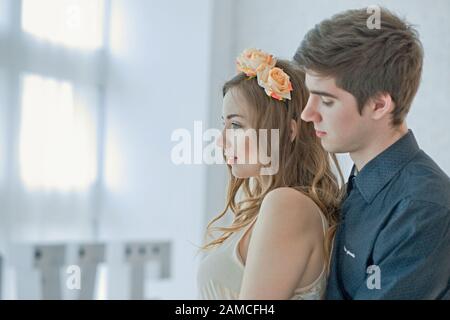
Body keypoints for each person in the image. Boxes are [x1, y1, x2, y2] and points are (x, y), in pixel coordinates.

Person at [294, 7, 450, 299]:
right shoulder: (357, 183)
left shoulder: (423, 209)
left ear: (379, 105)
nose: (307, 114)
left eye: (326, 101)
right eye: (309, 95)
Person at [197, 48, 343, 299]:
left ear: (289, 132)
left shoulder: (287, 205)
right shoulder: (265, 207)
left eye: (236, 125)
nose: (221, 141)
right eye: (224, 124)